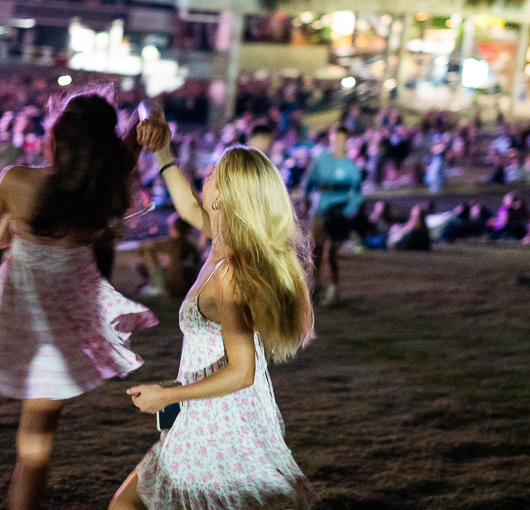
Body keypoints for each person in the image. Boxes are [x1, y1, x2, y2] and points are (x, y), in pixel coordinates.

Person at [0, 91, 158, 510]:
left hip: (7, 313)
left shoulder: (17, 181)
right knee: (35, 450)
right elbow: (143, 117)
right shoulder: (105, 187)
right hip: (63, 327)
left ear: (57, 138)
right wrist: (151, 116)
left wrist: (21, 226)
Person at [110, 112, 317, 510]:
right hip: (204, 412)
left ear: (222, 196)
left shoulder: (231, 274)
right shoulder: (219, 243)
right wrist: (163, 152)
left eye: (210, 175)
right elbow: (186, 204)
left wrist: (168, 394)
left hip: (220, 423)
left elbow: (242, 371)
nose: (203, 178)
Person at [302, 126, 362, 306]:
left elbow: (357, 193)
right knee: (316, 251)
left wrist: (347, 209)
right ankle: (315, 287)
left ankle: (333, 290)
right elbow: (308, 182)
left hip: (338, 215)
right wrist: (306, 201)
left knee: (331, 253)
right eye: (336, 139)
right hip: (320, 213)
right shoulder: (320, 161)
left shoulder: (350, 166)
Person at [135, 213, 204, 298]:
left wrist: (155, 259)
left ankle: (156, 287)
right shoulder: (192, 245)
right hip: (192, 286)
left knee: (147, 255)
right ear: (189, 229)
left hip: (176, 288)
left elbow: (145, 247)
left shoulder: (172, 244)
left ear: (172, 228)